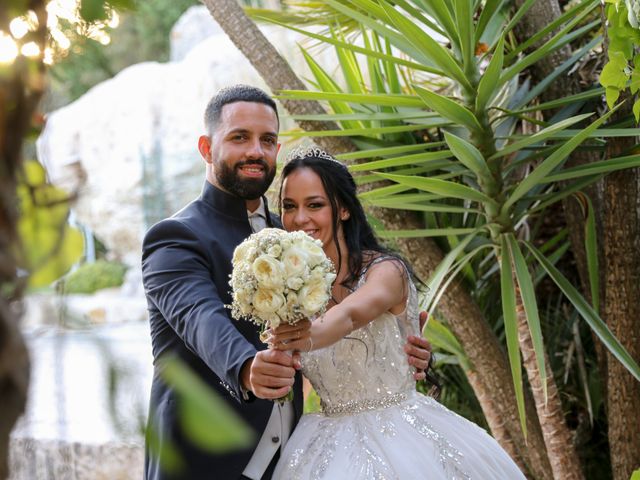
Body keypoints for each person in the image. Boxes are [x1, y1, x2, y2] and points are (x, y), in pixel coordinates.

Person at [141, 85, 432, 480]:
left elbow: (344, 316)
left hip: (295, 462)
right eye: (239, 137)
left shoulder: (299, 237)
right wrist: (245, 367)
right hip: (204, 463)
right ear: (207, 149)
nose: (255, 151)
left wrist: (400, 346)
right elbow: (198, 317)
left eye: (268, 140)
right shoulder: (175, 236)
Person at [266, 148, 526, 479]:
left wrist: (300, 336)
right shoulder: (290, 291)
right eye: (290, 206)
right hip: (323, 446)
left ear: (343, 209)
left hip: (403, 438)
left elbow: (349, 316)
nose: (300, 218)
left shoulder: (386, 271)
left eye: (314, 205)